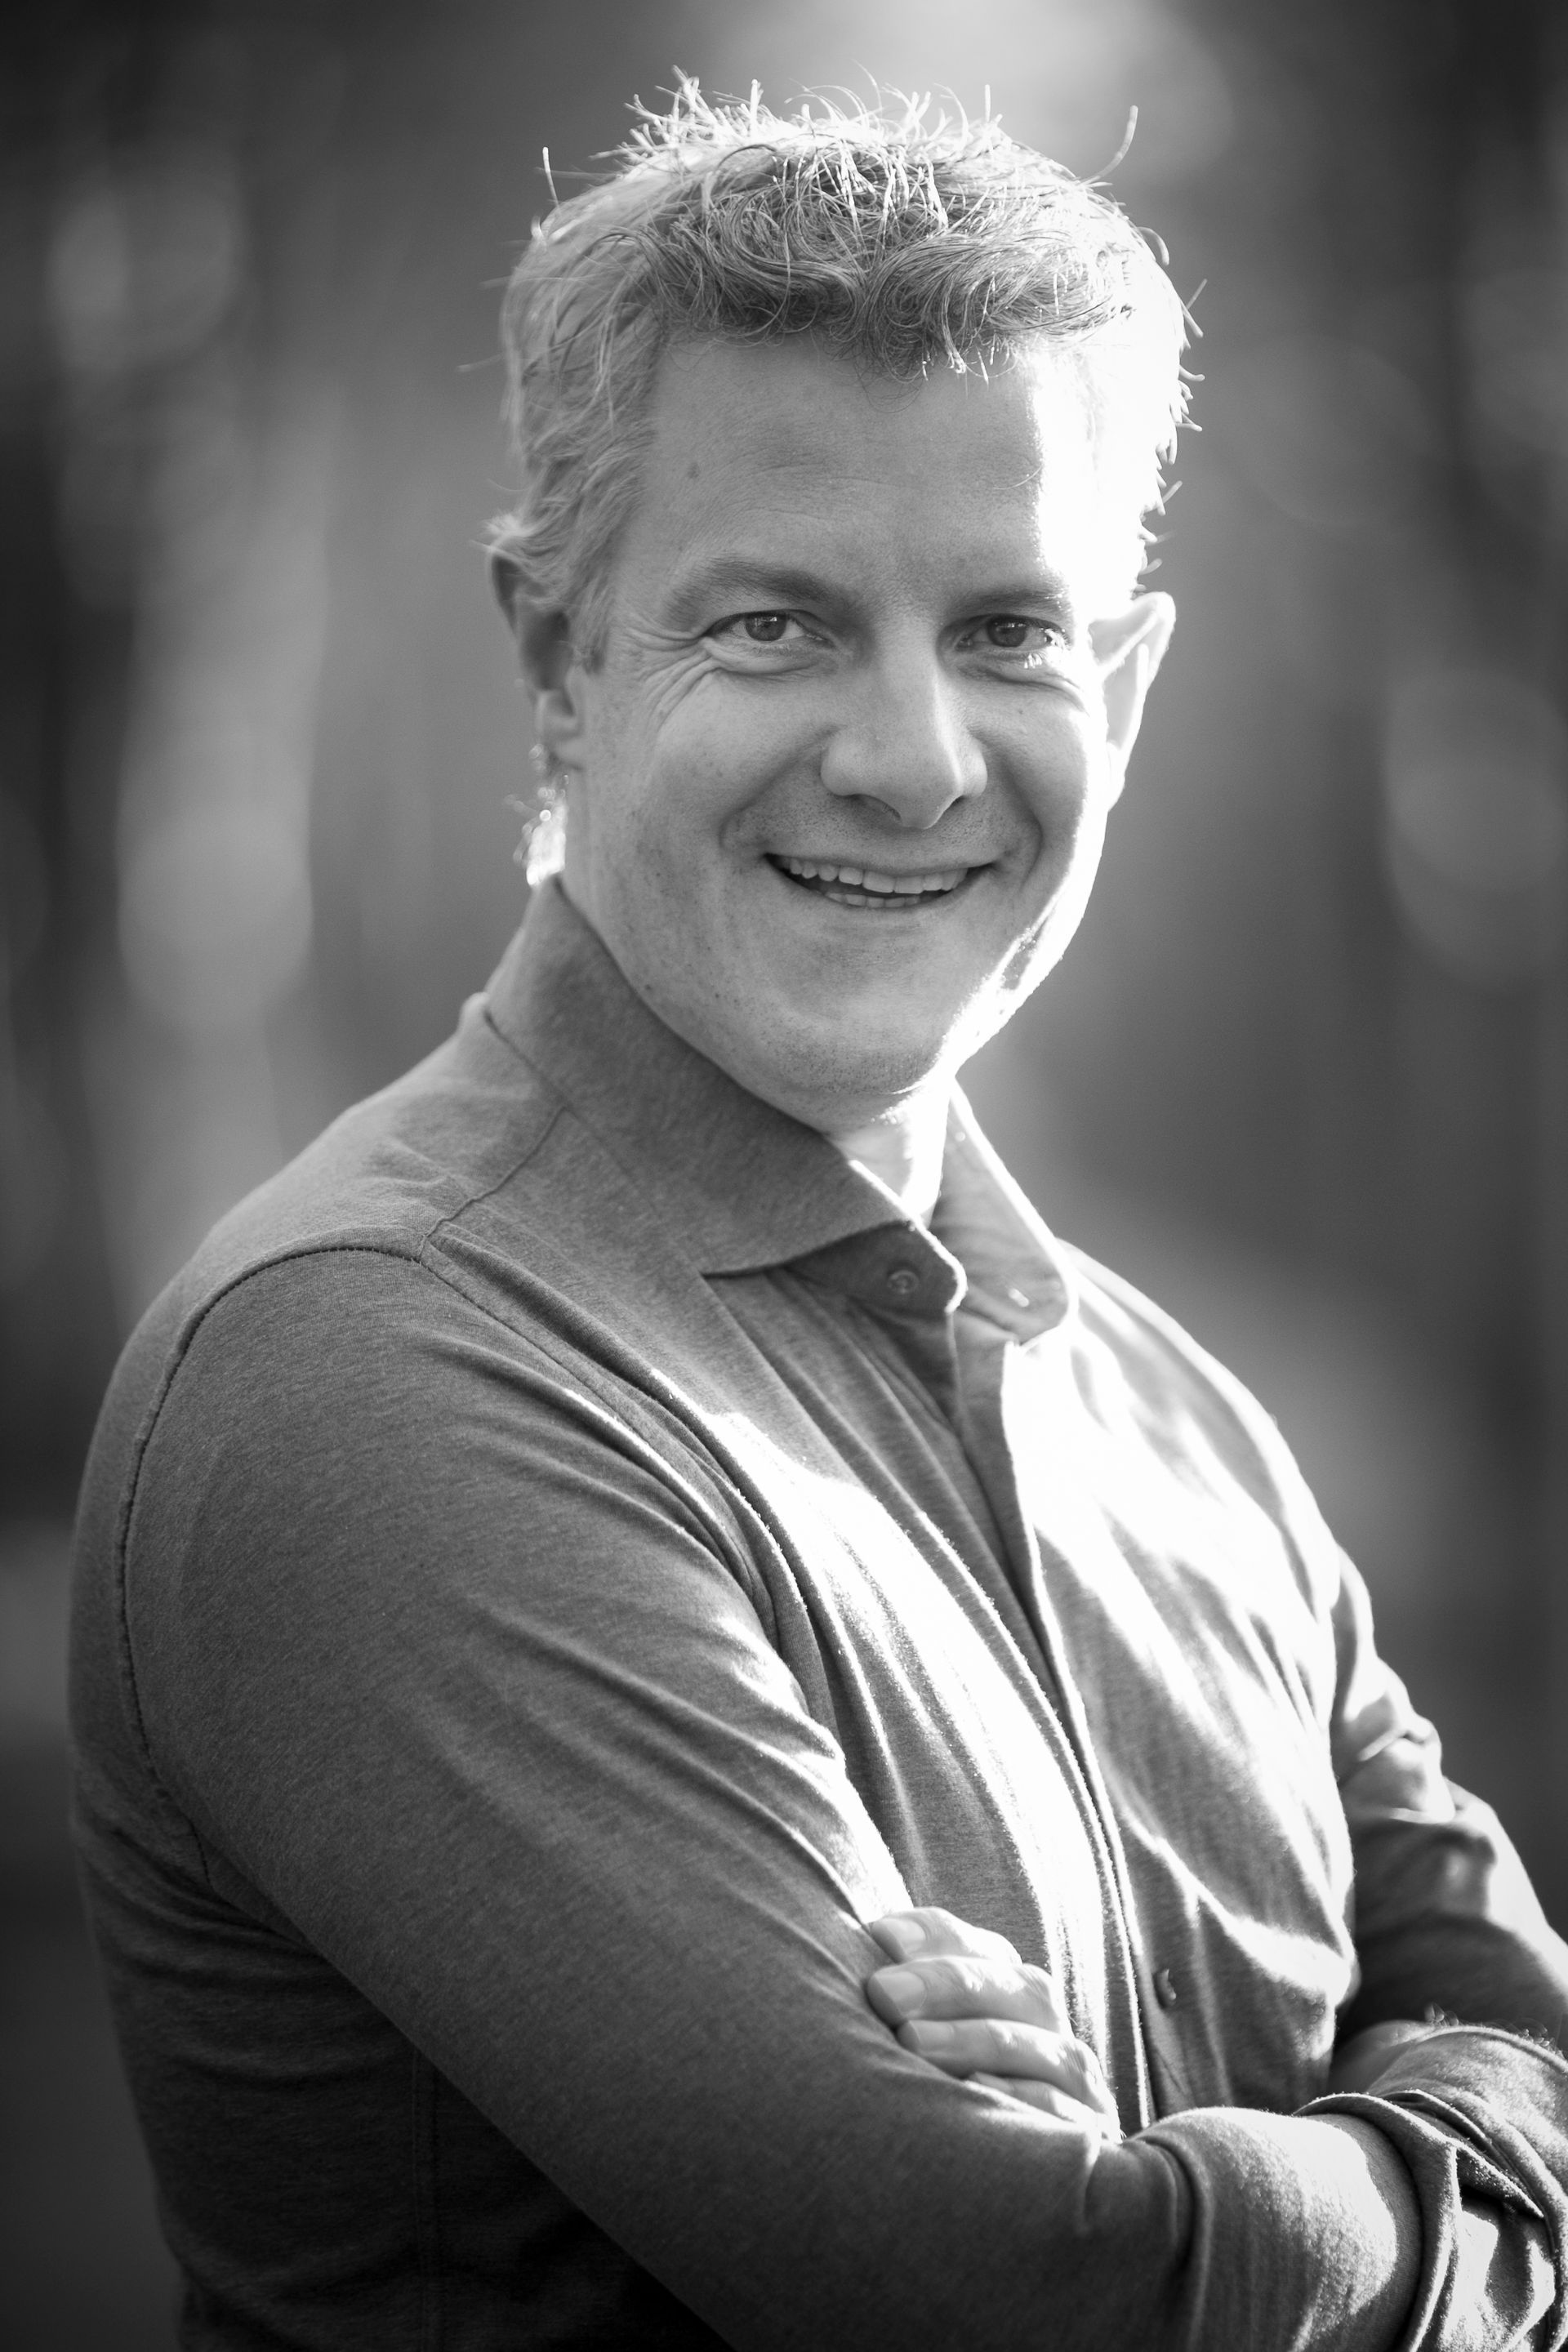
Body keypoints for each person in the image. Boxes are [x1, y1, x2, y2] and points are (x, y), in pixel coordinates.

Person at [70, 85, 1568, 2351]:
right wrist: (1411, 2158)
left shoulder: (1178, 1418)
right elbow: (1027, 2307)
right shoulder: (367, 1375)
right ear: (558, 657)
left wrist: (1218, 2186)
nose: (913, 754)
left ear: (1127, 691)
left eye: (1008, 631)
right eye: (774, 623)